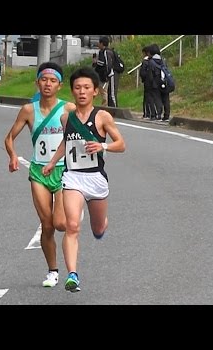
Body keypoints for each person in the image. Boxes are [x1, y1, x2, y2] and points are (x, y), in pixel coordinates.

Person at [42, 66, 126, 292]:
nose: (81, 91)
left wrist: (103, 145)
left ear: (95, 91)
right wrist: (52, 162)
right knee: (71, 225)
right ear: (72, 91)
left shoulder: (102, 116)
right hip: (73, 178)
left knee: (97, 228)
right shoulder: (65, 118)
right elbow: (66, 143)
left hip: (96, 179)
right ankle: (72, 275)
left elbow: (121, 144)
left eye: (86, 87)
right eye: (77, 87)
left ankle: (101, 226)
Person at [4, 62, 76, 288]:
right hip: (38, 171)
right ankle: (52, 271)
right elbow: (9, 138)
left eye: (53, 81)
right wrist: (13, 156)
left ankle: (73, 217)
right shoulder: (28, 110)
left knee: (61, 224)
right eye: (44, 80)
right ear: (38, 82)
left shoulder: (68, 109)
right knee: (47, 225)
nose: (48, 84)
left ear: (59, 85)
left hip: (63, 170)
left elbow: (84, 133)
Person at [92, 36, 115, 107]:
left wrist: (96, 62)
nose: (98, 44)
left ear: (102, 43)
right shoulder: (107, 51)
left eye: (99, 43)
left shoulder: (105, 52)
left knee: (103, 92)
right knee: (99, 90)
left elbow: (103, 64)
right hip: (103, 75)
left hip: (104, 75)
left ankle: (105, 107)